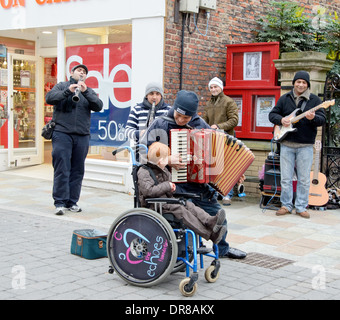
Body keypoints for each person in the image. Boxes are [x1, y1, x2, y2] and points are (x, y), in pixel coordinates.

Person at [141, 90, 247, 259]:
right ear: (174, 108)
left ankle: (223, 249)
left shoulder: (200, 124)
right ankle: (190, 250)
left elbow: (218, 149)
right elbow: (142, 153)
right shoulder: (160, 124)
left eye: (186, 118)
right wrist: (167, 159)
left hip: (198, 186)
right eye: (179, 115)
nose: (181, 120)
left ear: (194, 115)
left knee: (218, 215)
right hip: (173, 186)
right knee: (189, 219)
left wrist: (235, 173)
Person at [137, 141, 227, 244]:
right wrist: (167, 186)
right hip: (155, 205)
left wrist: (172, 188)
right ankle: (210, 234)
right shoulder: (144, 172)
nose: (169, 160)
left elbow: (168, 189)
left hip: (166, 202)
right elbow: (149, 191)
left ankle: (210, 221)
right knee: (181, 210)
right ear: (161, 161)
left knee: (188, 204)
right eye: (167, 158)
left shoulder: (163, 170)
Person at [45, 64, 103, 215]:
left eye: (84, 72)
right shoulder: (62, 86)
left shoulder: (87, 90)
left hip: (82, 135)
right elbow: (49, 98)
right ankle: (60, 202)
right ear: (72, 73)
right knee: (62, 168)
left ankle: (72, 202)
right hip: (62, 133)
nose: (81, 73)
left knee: (77, 170)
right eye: (79, 70)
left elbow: (98, 106)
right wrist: (67, 91)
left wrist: (85, 92)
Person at [268, 70, 326, 219]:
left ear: (307, 85)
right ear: (294, 83)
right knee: (286, 178)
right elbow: (272, 115)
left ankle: (301, 206)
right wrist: (281, 120)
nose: (301, 85)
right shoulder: (284, 98)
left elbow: (322, 119)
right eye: (298, 82)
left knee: (304, 179)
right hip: (287, 144)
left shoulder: (314, 101)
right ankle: (286, 205)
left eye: (304, 82)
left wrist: (313, 118)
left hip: (305, 145)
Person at [202, 76, 239, 206]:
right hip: (212, 140)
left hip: (226, 139)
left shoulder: (229, 102)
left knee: (226, 168)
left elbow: (234, 120)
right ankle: (214, 194)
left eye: (215, 86)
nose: (213, 89)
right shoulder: (209, 104)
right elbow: (204, 121)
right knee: (212, 168)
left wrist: (219, 126)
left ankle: (227, 195)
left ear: (221, 87)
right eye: (211, 87)